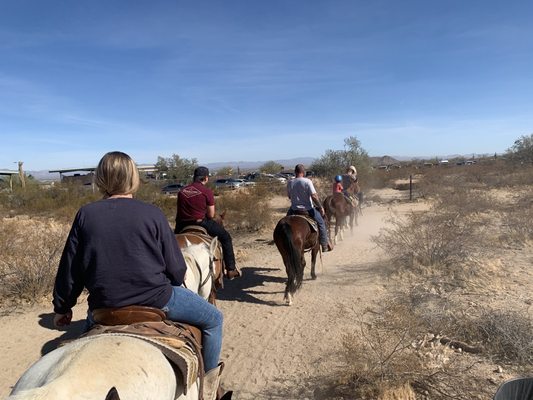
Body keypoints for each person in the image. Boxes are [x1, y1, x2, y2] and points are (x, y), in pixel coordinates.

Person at [52, 151, 223, 374]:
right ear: (134, 178)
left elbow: (70, 269)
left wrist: (63, 308)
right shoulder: (152, 213)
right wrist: (173, 278)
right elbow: (176, 268)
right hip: (155, 299)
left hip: (104, 306)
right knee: (214, 319)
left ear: (101, 178)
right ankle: (210, 383)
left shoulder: (85, 214)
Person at [174, 166, 241, 280]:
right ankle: (230, 269)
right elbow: (211, 214)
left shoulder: (182, 191)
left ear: (194, 177)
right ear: (205, 178)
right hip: (200, 223)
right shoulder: (207, 192)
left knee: (171, 244)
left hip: (181, 225)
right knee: (226, 238)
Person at [287, 164, 333, 252]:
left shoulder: (290, 182)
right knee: (321, 223)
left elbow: (289, 196)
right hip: (307, 210)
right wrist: (320, 207)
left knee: (285, 224)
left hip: (293, 210)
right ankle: (324, 244)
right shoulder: (307, 181)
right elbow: (314, 196)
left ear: (295, 172)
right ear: (303, 172)